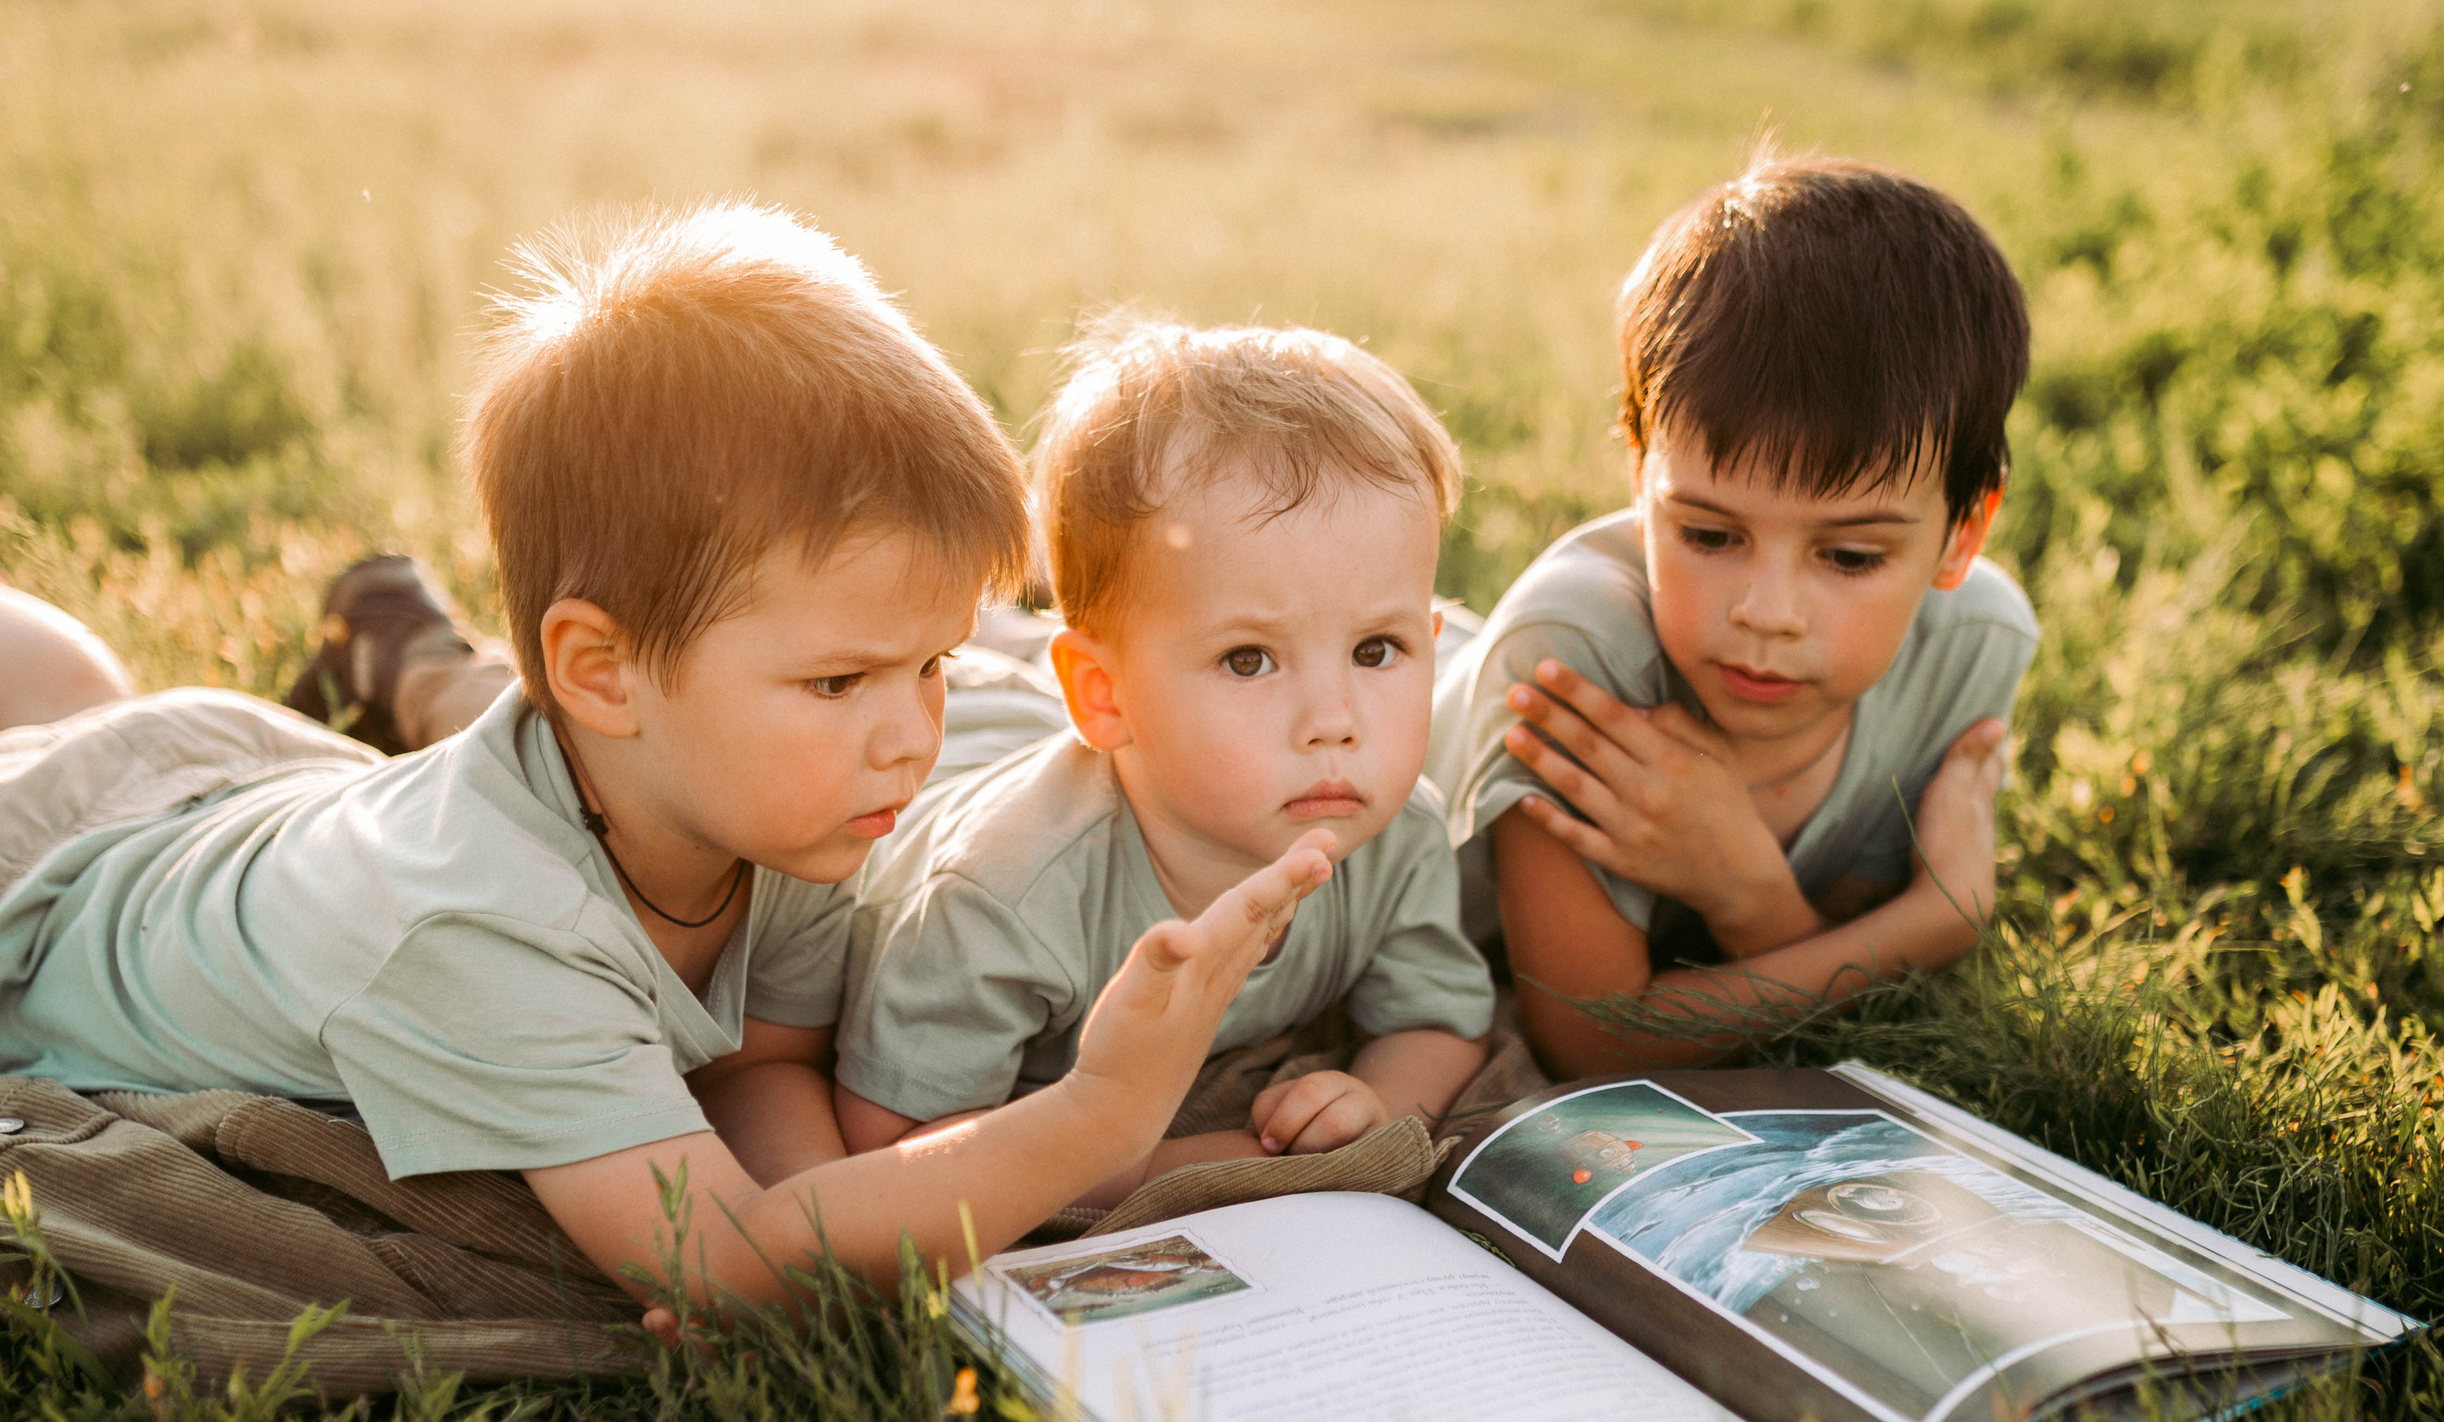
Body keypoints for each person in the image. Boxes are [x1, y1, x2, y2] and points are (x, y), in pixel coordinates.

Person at [0, 203, 1335, 1324]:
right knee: (53, 682)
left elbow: (758, 1075)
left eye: (933, 663)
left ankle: (382, 647)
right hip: (55, 862)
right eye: (839, 680)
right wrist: (1096, 1113)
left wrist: (809, 1217)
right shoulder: (483, 934)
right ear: (597, 669)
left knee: (80, 685)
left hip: (257, 799)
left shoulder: (790, 810)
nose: (911, 734)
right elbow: (730, 1263)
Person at [836, 318, 1495, 1207]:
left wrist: (1379, 1099)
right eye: (1249, 660)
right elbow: (888, 1143)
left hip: (1072, 724)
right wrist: (1172, 1166)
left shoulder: (1392, 830)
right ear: (1104, 695)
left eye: (1377, 650)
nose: (1335, 723)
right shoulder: (1006, 896)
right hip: (961, 765)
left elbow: (1439, 1023)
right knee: (963, 676)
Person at [1427, 152, 2040, 1076]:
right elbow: (1591, 1037)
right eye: (1710, 535)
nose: (1767, 614)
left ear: (1963, 534)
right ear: (1641, 479)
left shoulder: (1970, 648)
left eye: (1850, 557)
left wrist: (1747, 891)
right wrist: (1937, 920)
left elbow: (1798, 944)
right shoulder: (1574, 658)